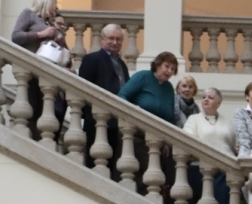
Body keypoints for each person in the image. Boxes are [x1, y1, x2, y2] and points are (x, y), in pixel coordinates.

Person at [11, 0, 61, 138]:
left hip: (45, 72)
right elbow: (16, 36)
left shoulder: (48, 22)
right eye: (54, 3)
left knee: (43, 110)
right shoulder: (28, 14)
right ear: (46, 3)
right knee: (31, 108)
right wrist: (41, 34)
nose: (56, 7)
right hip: (31, 70)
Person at [77, 23, 129, 164]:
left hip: (117, 121)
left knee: (112, 163)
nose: (115, 42)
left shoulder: (122, 64)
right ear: (102, 39)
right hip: (96, 120)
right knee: (93, 161)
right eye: (111, 38)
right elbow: (82, 89)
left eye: (118, 39)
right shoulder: (91, 59)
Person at [182, 87, 234, 204]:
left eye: (210, 98)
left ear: (219, 103)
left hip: (223, 169)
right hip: (199, 168)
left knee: (222, 203)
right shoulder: (193, 119)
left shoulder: (227, 121)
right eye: (204, 97)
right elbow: (189, 139)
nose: (206, 99)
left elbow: (234, 144)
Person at [118, 52, 179, 125]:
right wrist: (133, 111)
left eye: (173, 69)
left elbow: (170, 118)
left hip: (158, 133)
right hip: (136, 128)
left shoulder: (169, 88)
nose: (169, 71)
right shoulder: (142, 77)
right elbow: (122, 96)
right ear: (158, 64)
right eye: (167, 66)